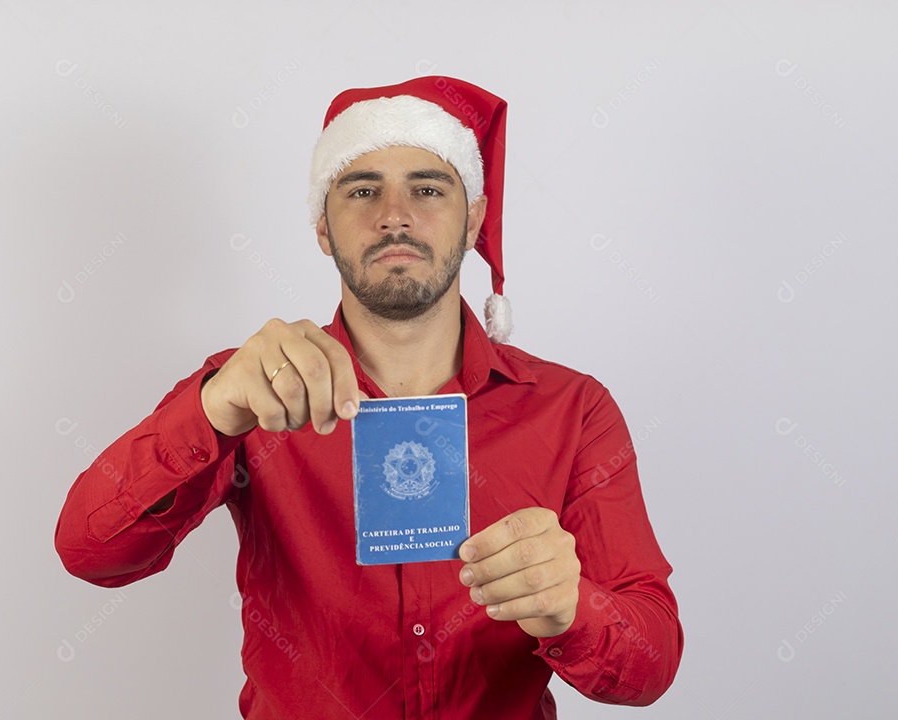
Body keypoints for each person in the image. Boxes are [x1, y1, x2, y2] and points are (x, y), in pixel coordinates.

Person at [55, 76, 683, 719]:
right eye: (362, 190)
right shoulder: (251, 391)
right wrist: (212, 412)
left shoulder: (572, 410)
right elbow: (90, 552)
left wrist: (572, 608)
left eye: (428, 188)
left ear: (474, 220)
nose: (395, 215)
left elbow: (651, 665)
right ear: (323, 228)